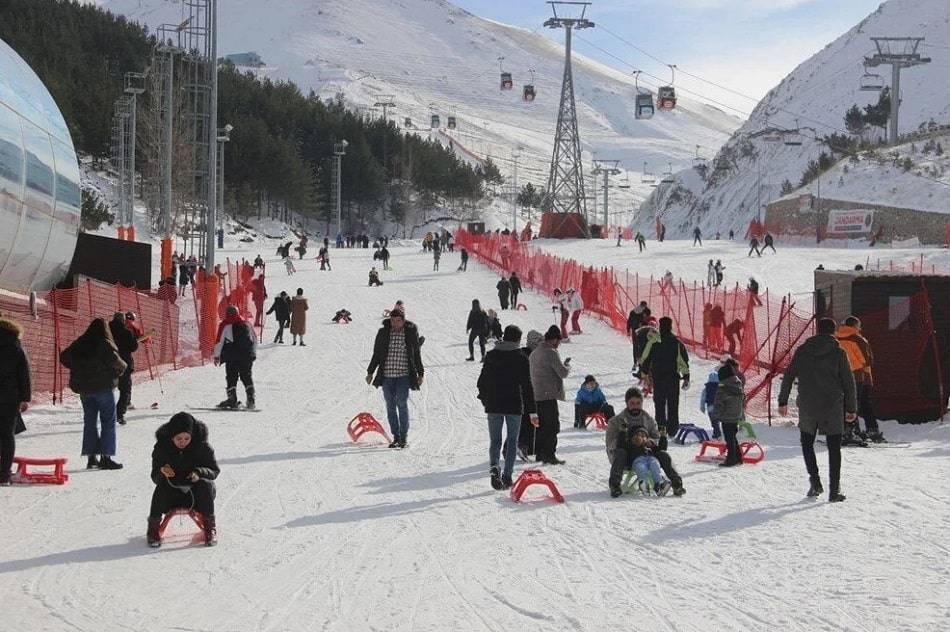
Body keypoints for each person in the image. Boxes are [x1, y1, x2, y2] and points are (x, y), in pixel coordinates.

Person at [778, 317, 857, 503]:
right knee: (834, 447)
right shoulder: (838, 353)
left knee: (807, 443)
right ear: (833, 331)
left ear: (817, 330)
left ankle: (815, 481)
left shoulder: (803, 351)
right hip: (832, 405)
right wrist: (851, 408)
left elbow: (788, 376)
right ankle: (834, 490)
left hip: (808, 405)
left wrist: (783, 402)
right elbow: (848, 382)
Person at [59, 318, 127, 470]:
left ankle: (91, 458)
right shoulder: (105, 343)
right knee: (108, 422)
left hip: (84, 391)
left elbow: (64, 357)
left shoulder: (81, 342)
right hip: (103, 389)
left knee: (89, 422)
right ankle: (106, 457)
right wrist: (117, 372)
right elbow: (119, 364)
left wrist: (79, 367)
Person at [147, 412, 220, 547]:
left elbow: (214, 470)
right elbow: (155, 475)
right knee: (161, 487)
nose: (183, 442)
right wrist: (162, 472)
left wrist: (199, 472)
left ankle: (210, 528)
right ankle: (153, 529)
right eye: (179, 438)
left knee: (205, 484)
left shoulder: (202, 446)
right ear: (171, 437)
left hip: (196, 493)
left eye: (187, 438)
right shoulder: (161, 447)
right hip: (173, 491)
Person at [477, 325, 533, 490]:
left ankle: (494, 466)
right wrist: (532, 410)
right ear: (516, 339)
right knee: (512, 441)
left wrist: (486, 400)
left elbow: (481, 382)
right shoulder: (521, 358)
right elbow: (527, 386)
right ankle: (507, 476)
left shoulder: (491, 355)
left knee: (495, 441)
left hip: (494, 404)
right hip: (514, 405)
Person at [606, 387, 685, 497]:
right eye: (632, 403)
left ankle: (677, 484)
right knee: (621, 453)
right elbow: (610, 444)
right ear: (627, 403)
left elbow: (656, 437)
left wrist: (650, 441)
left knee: (663, 454)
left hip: (646, 453)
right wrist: (629, 440)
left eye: (638, 403)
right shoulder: (616, 421)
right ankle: (615, 486)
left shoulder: (648, 420)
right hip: (625, 455)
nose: (635, 406)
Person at [365, 308, 425, 449]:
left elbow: (416, 354)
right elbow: (377, 354)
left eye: (398, 321)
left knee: (401, 403)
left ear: (403, 321)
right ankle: (396, 437)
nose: (395, 323)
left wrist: (420, 373)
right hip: (387, 376)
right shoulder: (383, 333)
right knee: (390, 406)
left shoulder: (409, 333)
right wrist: (370, 372)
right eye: (392, 320)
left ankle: (403, 437)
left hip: (403, 375)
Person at [835, 316, 885, 443]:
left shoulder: (836, 338)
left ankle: (850, 430)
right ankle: (871, 429)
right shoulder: (858, 339)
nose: (860, 328)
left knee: (847, 403)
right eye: (859, 325)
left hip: (840, 375)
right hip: (860, 376)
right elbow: (868, 360)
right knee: (864, 403)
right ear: (854, 326)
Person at [640, 316, 690, 437]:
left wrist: (644, 373)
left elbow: (645, 359)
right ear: (671, 326)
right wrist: (686, 376)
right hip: (673, 378)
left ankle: (661, 427)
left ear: (660, 326)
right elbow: (683, 360)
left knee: (659, 403)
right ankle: (672, 429)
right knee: (673, 403)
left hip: (659, 378)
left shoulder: (654, 342)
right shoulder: (676, 342)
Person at [529, 326, 571, 465]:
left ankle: (540, 453)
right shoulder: (551, 352)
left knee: (542, 426)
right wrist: (567, 366)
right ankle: (549, 454)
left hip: (537, 394)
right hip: (548, 394)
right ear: (554, 339)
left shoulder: (535, 352)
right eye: (559, 341)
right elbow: (562, 373)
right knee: (552, 426)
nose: (559, 344)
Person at [0, 317, 31, 486]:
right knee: (7, 435)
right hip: (10, 397)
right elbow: (24, 374)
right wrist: (25, 398)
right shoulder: (15, 345)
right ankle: (4, 474)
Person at [213, 306, 258, 410]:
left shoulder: (226, 325)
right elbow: (255, 339)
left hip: (232, 356)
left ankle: (232, 399)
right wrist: (253, 353)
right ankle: (251, 399)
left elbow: (219, 342)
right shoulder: (247, 323)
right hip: (247, 355)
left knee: (231, 377)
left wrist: (216, 356)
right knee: (246, 376)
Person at [108, 312, 139, 425]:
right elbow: (133, 347)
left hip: (109, 364)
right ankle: (119, 414)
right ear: (122, 320)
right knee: (125, 390)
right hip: (124, 365)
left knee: (107, 389)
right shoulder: (127, 332)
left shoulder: (106, 332)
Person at [714, 361, 746, 466]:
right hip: (736, 415)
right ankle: (738, 457)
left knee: (729, 438)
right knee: (733, 436)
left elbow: (718, 402)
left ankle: (731, 459)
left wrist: (716, 414)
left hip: (727, 416)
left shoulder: (723, 387)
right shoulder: (738, 384)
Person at [699, 368, 722, 439]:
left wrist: (702, 407)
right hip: (720, 407)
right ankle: (717, 433)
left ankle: (717, 433)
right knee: (717, 420)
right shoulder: (720, 388)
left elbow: (703, 398)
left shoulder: (706, 389)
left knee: (714, 421)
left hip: (710, 407)